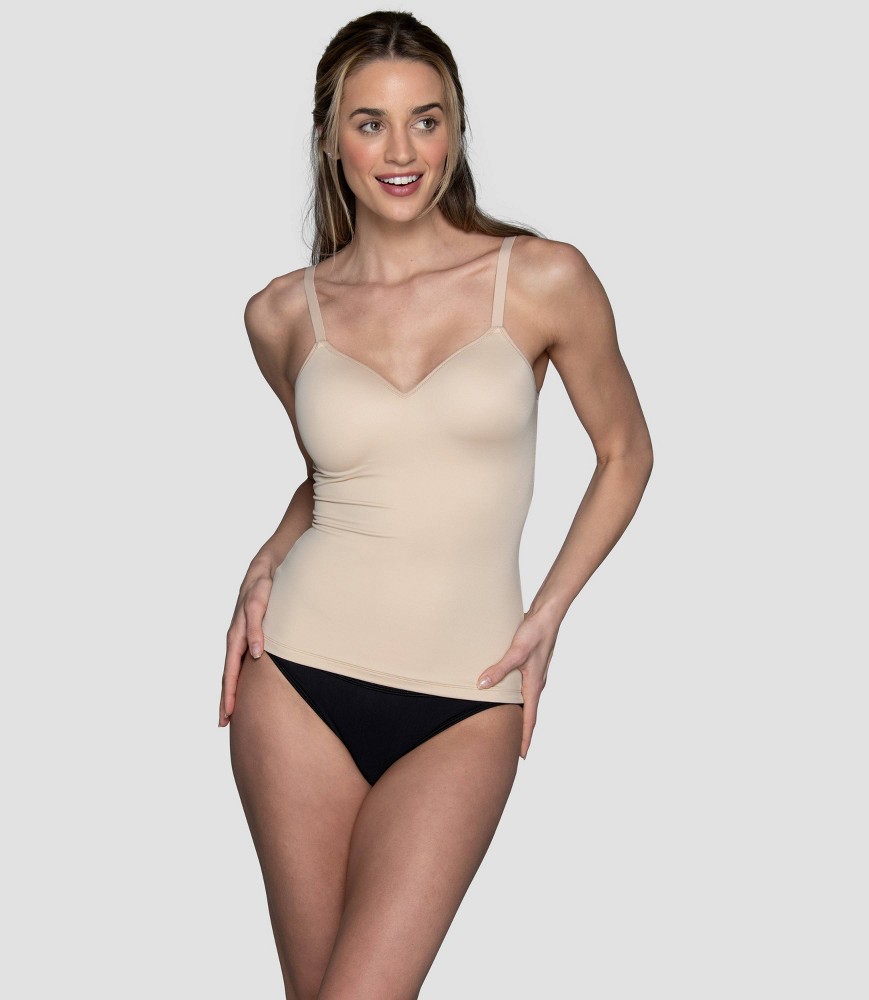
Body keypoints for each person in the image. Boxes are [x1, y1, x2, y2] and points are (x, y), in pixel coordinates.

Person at [219, 10, 653, 999]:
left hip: (468, 693)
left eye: (426, 119)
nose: (401, 151)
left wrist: (547, 613)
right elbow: (343, 476)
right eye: (369, 123)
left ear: (455, 129)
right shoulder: (280, 313)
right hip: (295, 680)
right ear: (330, 138)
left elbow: (626, 452)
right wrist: (266, 555)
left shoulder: (541, 278)